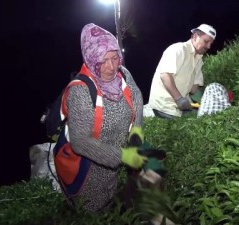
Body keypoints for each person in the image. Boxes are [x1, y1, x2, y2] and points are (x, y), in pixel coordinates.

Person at [53, 23, 148, 212]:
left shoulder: (123, 74)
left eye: (114, 58)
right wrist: (123, 156)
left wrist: (136, 140)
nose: (111, 67)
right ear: (91, 59)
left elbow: (137, 99)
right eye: (103, 61)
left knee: (112, 201)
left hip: (113, 163)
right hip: (86, 168)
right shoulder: (80, 91)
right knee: (93, 212)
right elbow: (80, 142)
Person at [147, 24, 216, 119]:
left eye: (211, 43)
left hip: (182, 107)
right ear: (195, 36)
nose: (208, 46)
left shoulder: (199, 60)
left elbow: (193, 90)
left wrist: (209, 99)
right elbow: (165, 76)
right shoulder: (178, 49)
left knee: (205, 118)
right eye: (206, 41)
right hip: (165, 107)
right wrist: (179, 99)